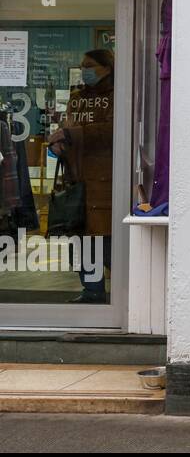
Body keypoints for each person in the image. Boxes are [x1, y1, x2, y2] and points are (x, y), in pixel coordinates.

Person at [48, 49, 115, 303]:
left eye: (89, 65)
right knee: (81, 236)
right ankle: (91, 290)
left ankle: (117, 287)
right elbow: (69, 127)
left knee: (104, 239)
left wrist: (72, 134)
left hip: (106, 178)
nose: (84, 70)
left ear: (107, 68)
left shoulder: (117, 96)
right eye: (82, 65)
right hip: (77, 177)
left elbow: (110, 130)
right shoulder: (76, 99)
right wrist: (60, 140)